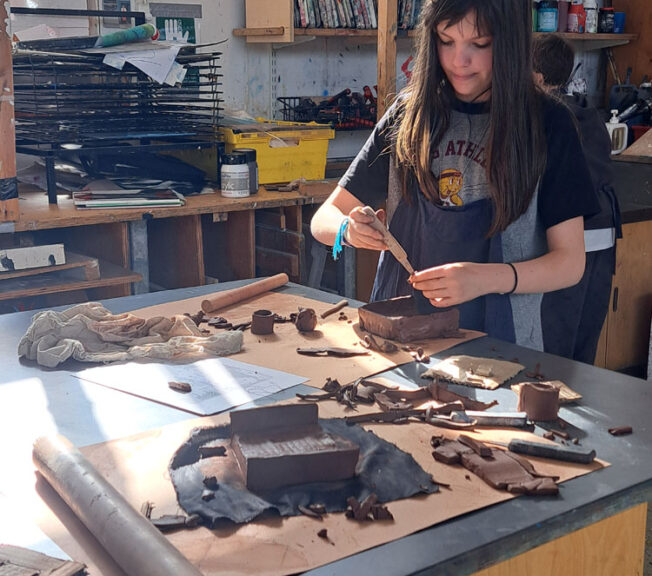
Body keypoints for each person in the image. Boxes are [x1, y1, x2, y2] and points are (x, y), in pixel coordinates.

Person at [311, 0, 600, 350]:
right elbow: (323, 218)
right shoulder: (409, 115)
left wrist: (483, 279)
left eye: (479, 44)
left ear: (510, 43)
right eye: (446, 41)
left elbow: (570, 263)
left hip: (502, 350)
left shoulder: (546, 124)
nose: (458, 61)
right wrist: (348, 229)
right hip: (398, 346)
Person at [533, 34, 622, 363]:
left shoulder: (546, 119)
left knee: (553, 350)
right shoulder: (590, 113)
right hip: (605, 234)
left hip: (569, 238)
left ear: (536, 78)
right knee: (584, 346)